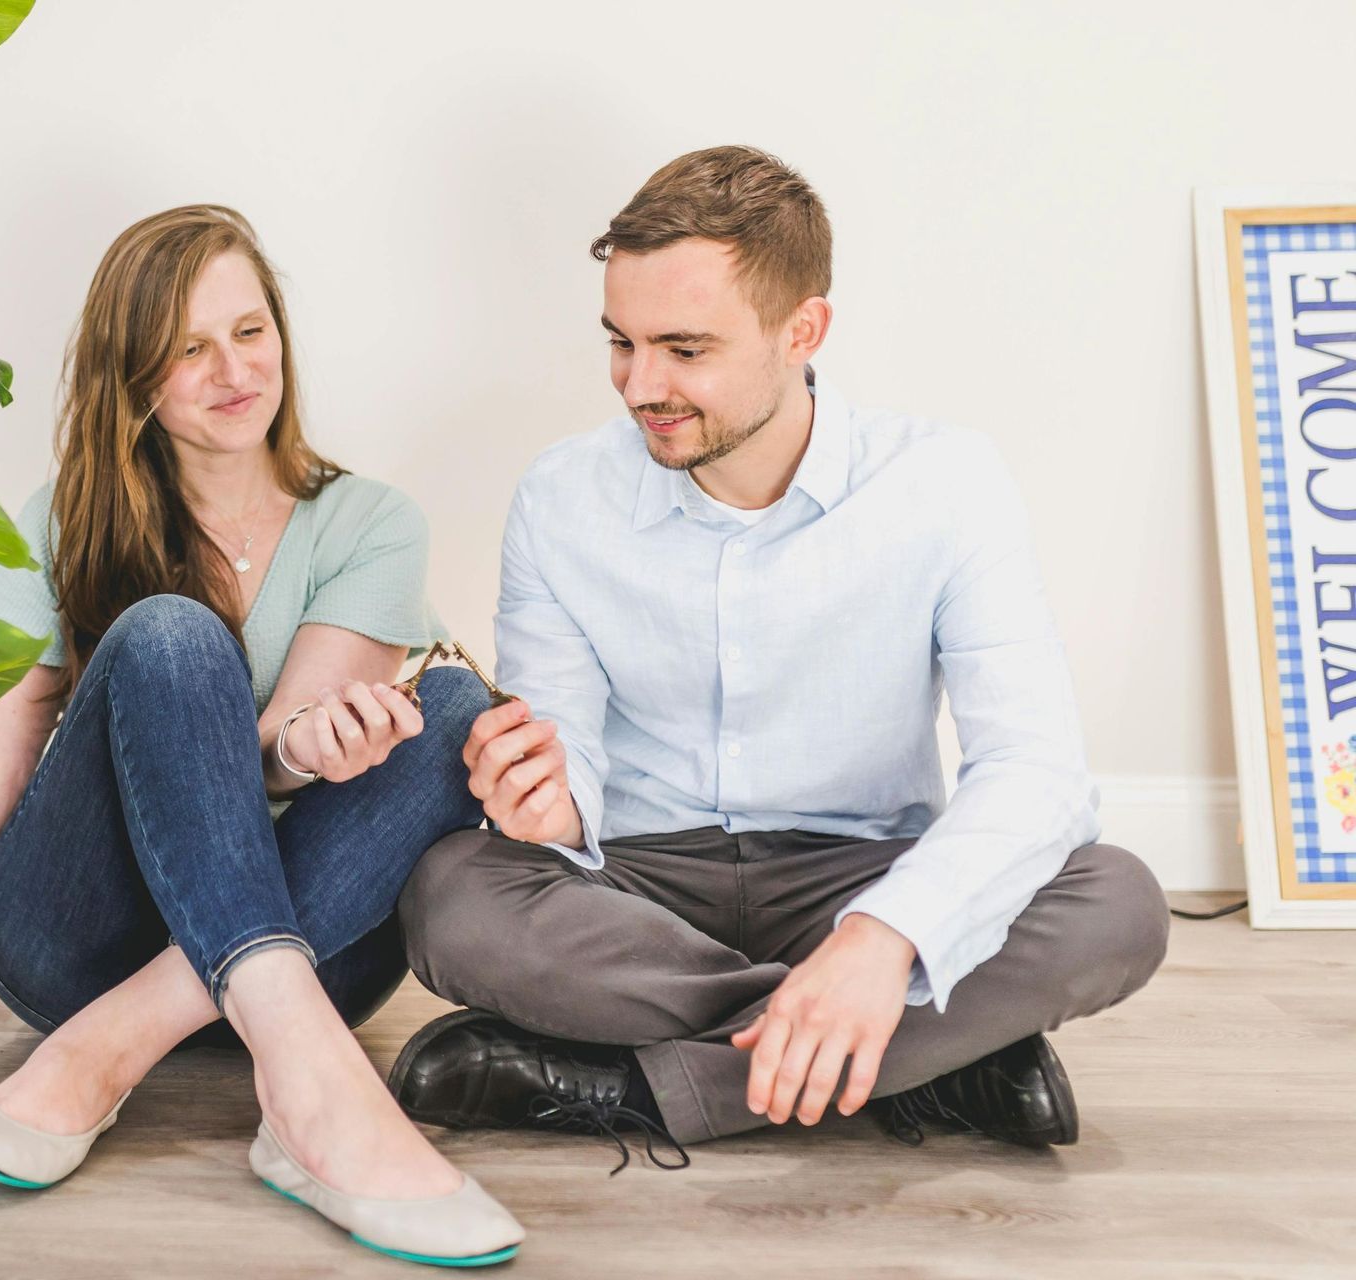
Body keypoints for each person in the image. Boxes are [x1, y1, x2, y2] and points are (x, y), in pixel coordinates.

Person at [0, 205, 523, 1266]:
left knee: (458, 710)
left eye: (249, 330)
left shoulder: (369, 521)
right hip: (74, 939)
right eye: (187, 349)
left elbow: (279, 743)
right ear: (133, 378)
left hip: (309, 947)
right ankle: (312, 1098)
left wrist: (315, 751)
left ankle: (110, 1047)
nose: (232, 369)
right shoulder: (57, 523)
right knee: (172, 636)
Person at [388, 147, 1171, 1168]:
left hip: (861, 867)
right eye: (620, 343)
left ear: (802, 331)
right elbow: (566, 740)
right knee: (452, 892)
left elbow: (1037, 772)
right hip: (641, 886)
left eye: (683, 347)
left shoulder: (945, 484)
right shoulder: (561, 496)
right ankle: (923, 1060)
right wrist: (552, 795)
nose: (640, 384)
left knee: (1119, 901)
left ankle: (631, 1084)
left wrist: (883, 939)